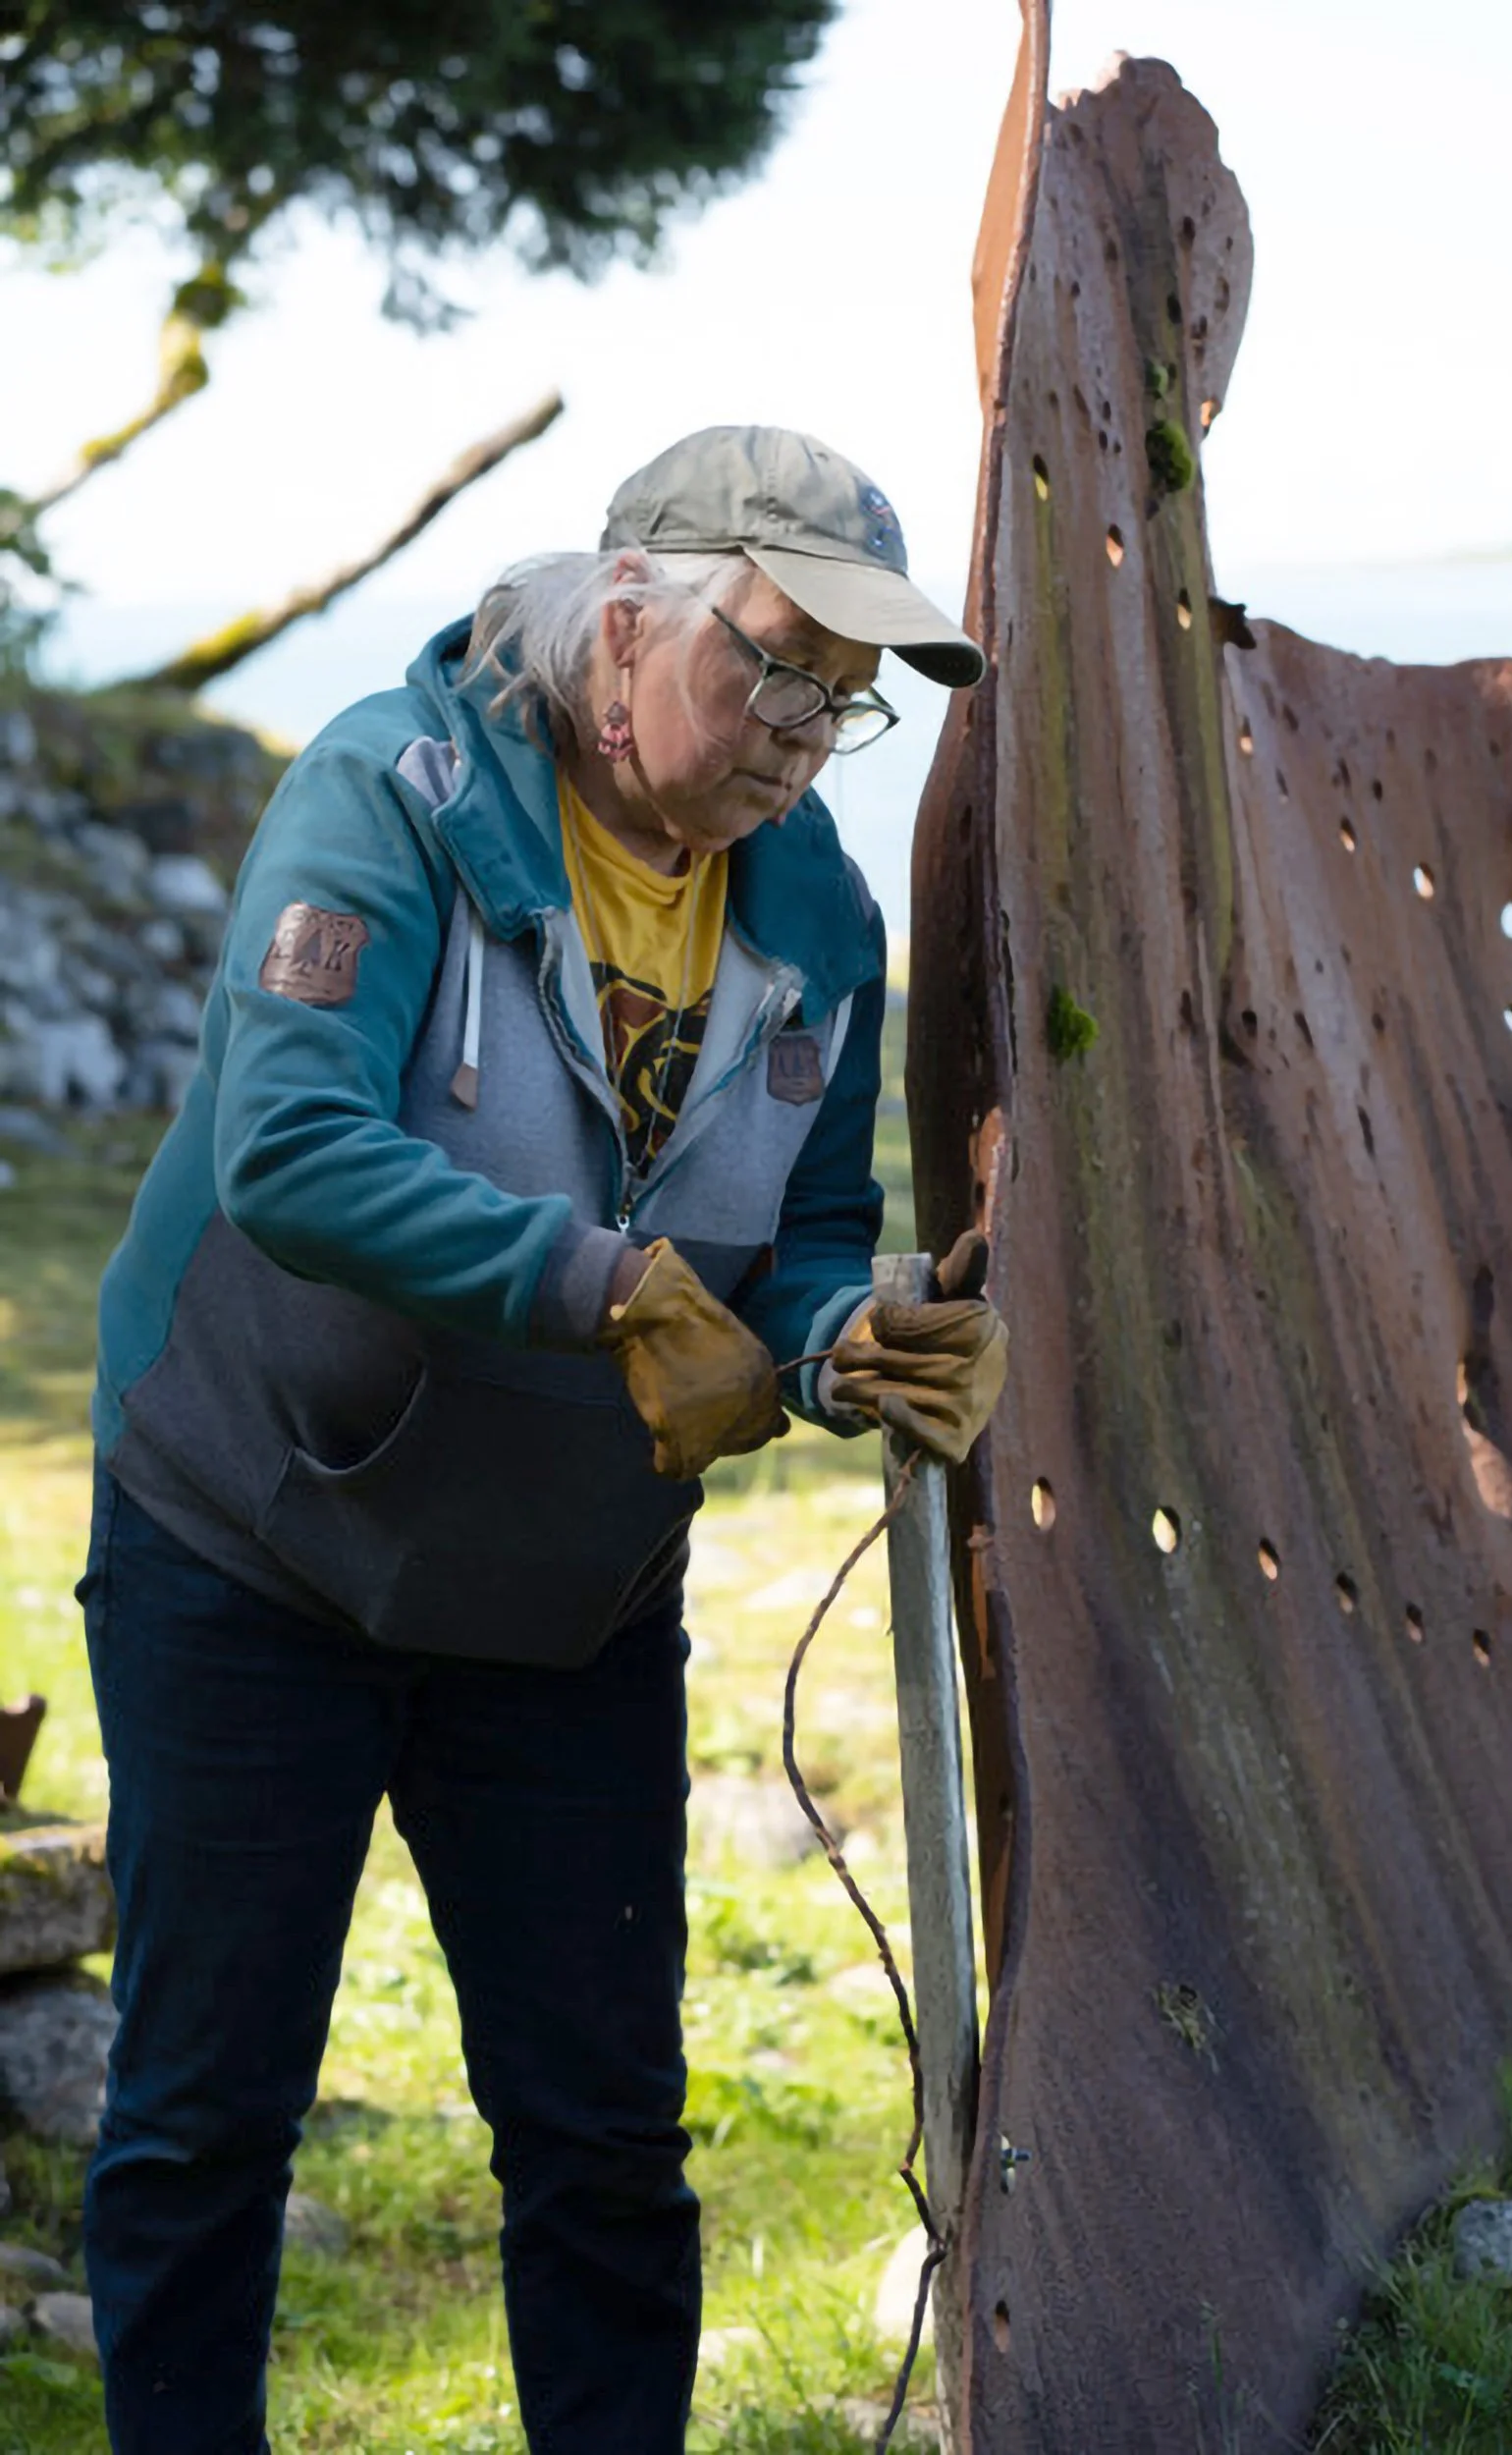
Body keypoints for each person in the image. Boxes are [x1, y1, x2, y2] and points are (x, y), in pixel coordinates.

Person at [76, 424, 1008, 2454]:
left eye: (845, 699)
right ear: (626, 612)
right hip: (254, 1542)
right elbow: (293, 1148)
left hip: (562, 1591)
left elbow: (806, 1231)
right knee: (204, 2112)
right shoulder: (385, 801)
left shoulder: (815, 903)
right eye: (776, 661)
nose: (802, 730)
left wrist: (853, 1341)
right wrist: (603, 1286)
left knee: (599, 2128)